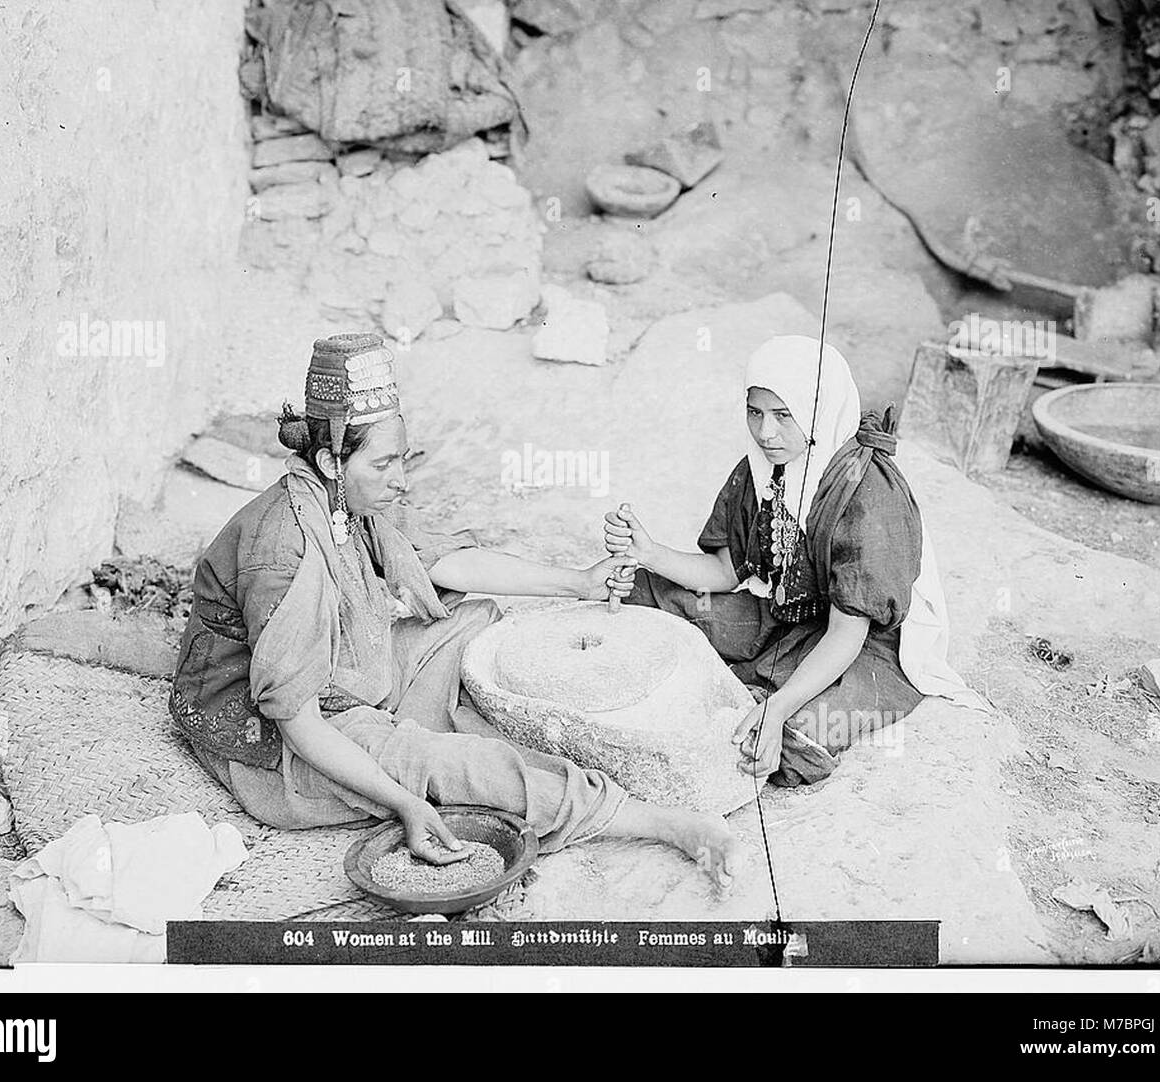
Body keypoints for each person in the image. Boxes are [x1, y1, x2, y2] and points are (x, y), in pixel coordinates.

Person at [169, 333, 744, 888]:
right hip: (273, 744)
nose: (400, 481)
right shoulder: (284, 551)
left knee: (474, 623)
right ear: (330, 460)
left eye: (404, 460)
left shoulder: (343, 496)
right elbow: (298, 719)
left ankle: (455, 751)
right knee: (445, 765)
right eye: (385, 465)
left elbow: (448, 564)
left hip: (338, 675)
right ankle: (663, 823)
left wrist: (580, 583)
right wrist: (404, 802)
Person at [604, 335, 978, 787]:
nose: (765, 432)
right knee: (649, 591)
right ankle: (764, 689)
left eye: (784, 416)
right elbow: (725, 572)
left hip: (864, 646)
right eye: (755, 412)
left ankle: (775, 699)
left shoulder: (866, 494)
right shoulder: (761, 469)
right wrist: (650, 552)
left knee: (800, 739)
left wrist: (778, 710)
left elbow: (848, 632)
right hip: (788, 615)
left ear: (818, 411)